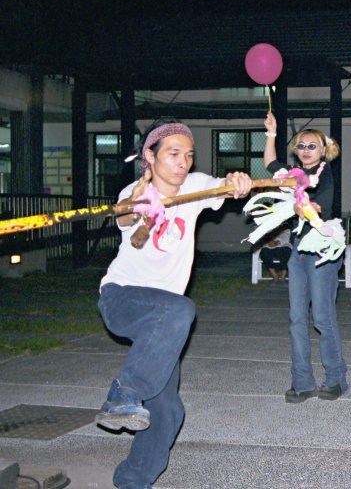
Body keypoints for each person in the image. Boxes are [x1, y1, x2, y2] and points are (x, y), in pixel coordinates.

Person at [95, 119, 253, 489]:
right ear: (150, 156)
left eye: (189, 155)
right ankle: (124, 392)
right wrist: (141, 206)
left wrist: (238, 182)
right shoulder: (132, 193)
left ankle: (133, 479)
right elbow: (125, 215)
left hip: (163, 322)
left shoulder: (194, 187)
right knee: (180, 307)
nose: (183, 163)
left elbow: (226, 187)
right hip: (122, 299)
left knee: (167, 410)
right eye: (173, 154)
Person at [263, 112, 348, 403]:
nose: (306, 150)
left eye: (312, 146)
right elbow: (270, 165)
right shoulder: (294, 175)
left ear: (323, 150)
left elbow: (316, 208)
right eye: (301, 146)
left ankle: (336, 379)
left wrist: (298, 204)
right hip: (299, 250)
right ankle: (302, 382)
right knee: (296, 318)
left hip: (322, 250)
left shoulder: (324, 174)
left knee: (322, 318)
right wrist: (272, 134)